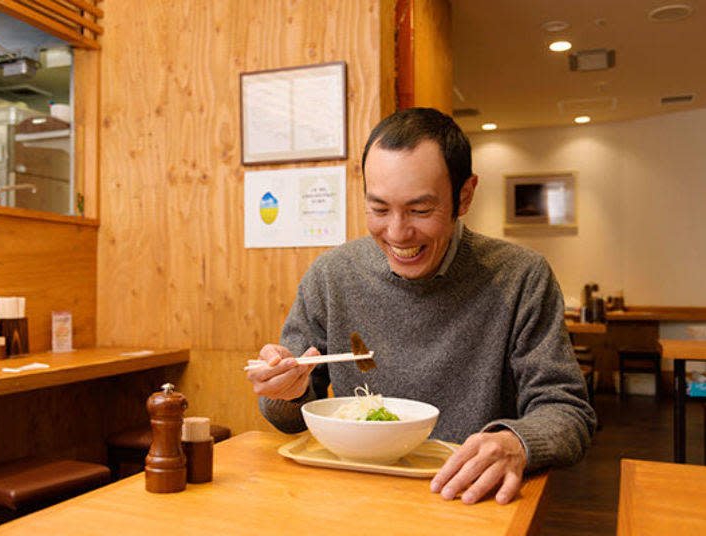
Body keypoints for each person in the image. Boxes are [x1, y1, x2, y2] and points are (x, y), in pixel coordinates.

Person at [247, 107, 595, 505]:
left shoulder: (521, 277)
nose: (397, 233)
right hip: (349, 498)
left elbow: (568, 411)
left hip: (466, 496)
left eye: (420, 210)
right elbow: (287, 416)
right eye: (379, 209)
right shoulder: (332, 275)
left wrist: (516, 442)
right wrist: (284, 391)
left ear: (464, 196)